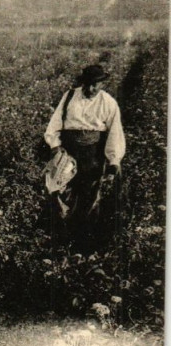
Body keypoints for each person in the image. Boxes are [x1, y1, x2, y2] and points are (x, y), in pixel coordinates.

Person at [44, 64, 125, 240]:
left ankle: (83, 237)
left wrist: (113, 161)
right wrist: (55, 147)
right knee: (61, 190)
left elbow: (115, 133)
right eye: (87, 84)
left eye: (95, 84)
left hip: (92, 155)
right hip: (68, 152)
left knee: (89, 193)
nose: (90, 88)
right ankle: (61, 234)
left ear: (102, 84)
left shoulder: (108, 103)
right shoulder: (70, 96)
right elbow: (55, 124)